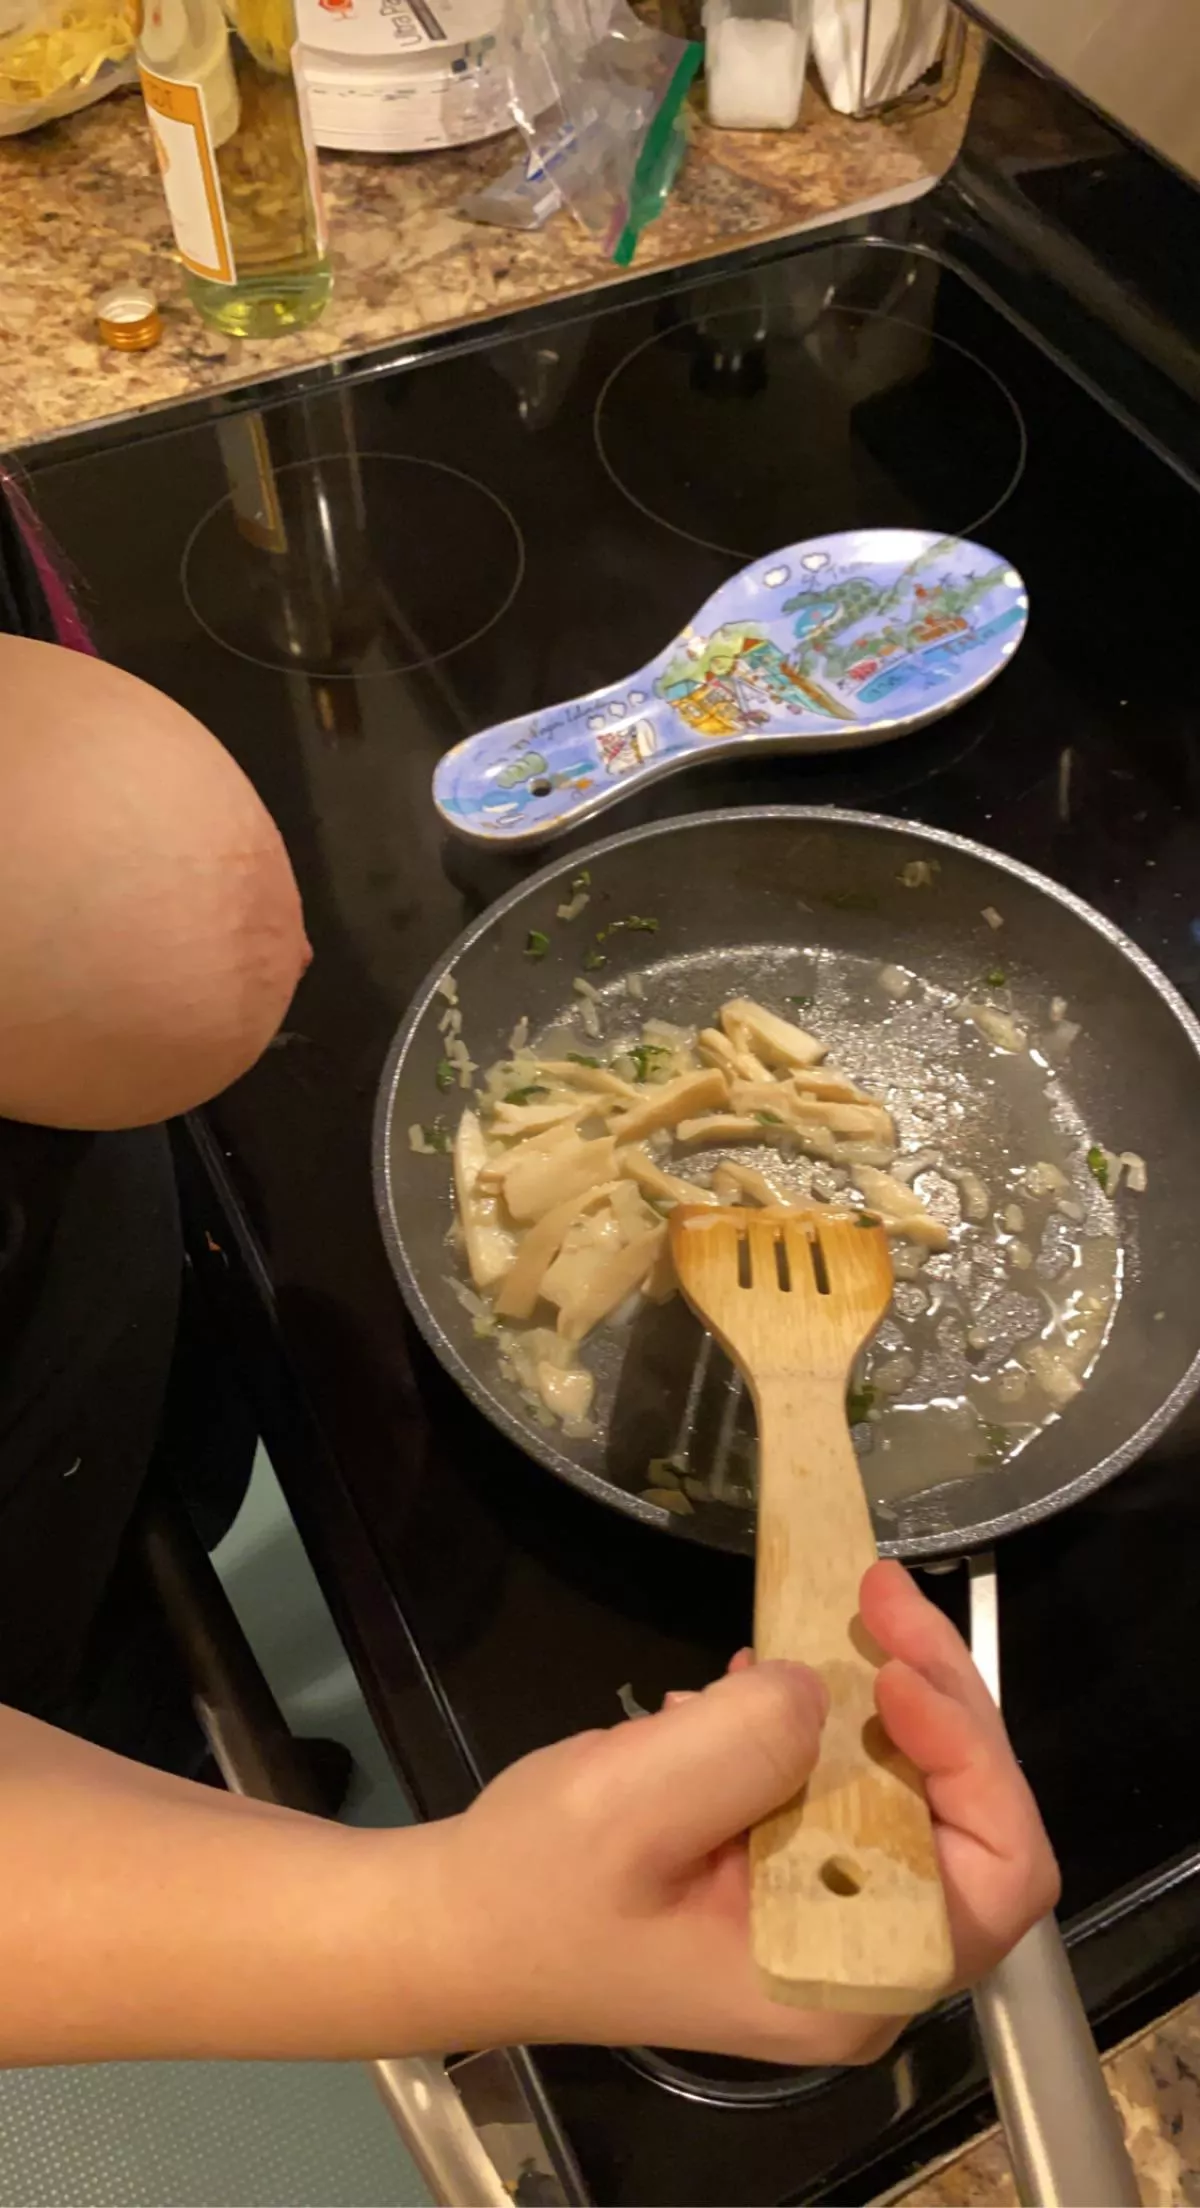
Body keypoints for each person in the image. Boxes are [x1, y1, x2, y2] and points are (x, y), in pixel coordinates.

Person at [0, 485, 1059, 2071]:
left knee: (160, 1550)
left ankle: (163, 1720)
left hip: (83, 1280)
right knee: (80, 1663)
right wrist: (427, 1935)